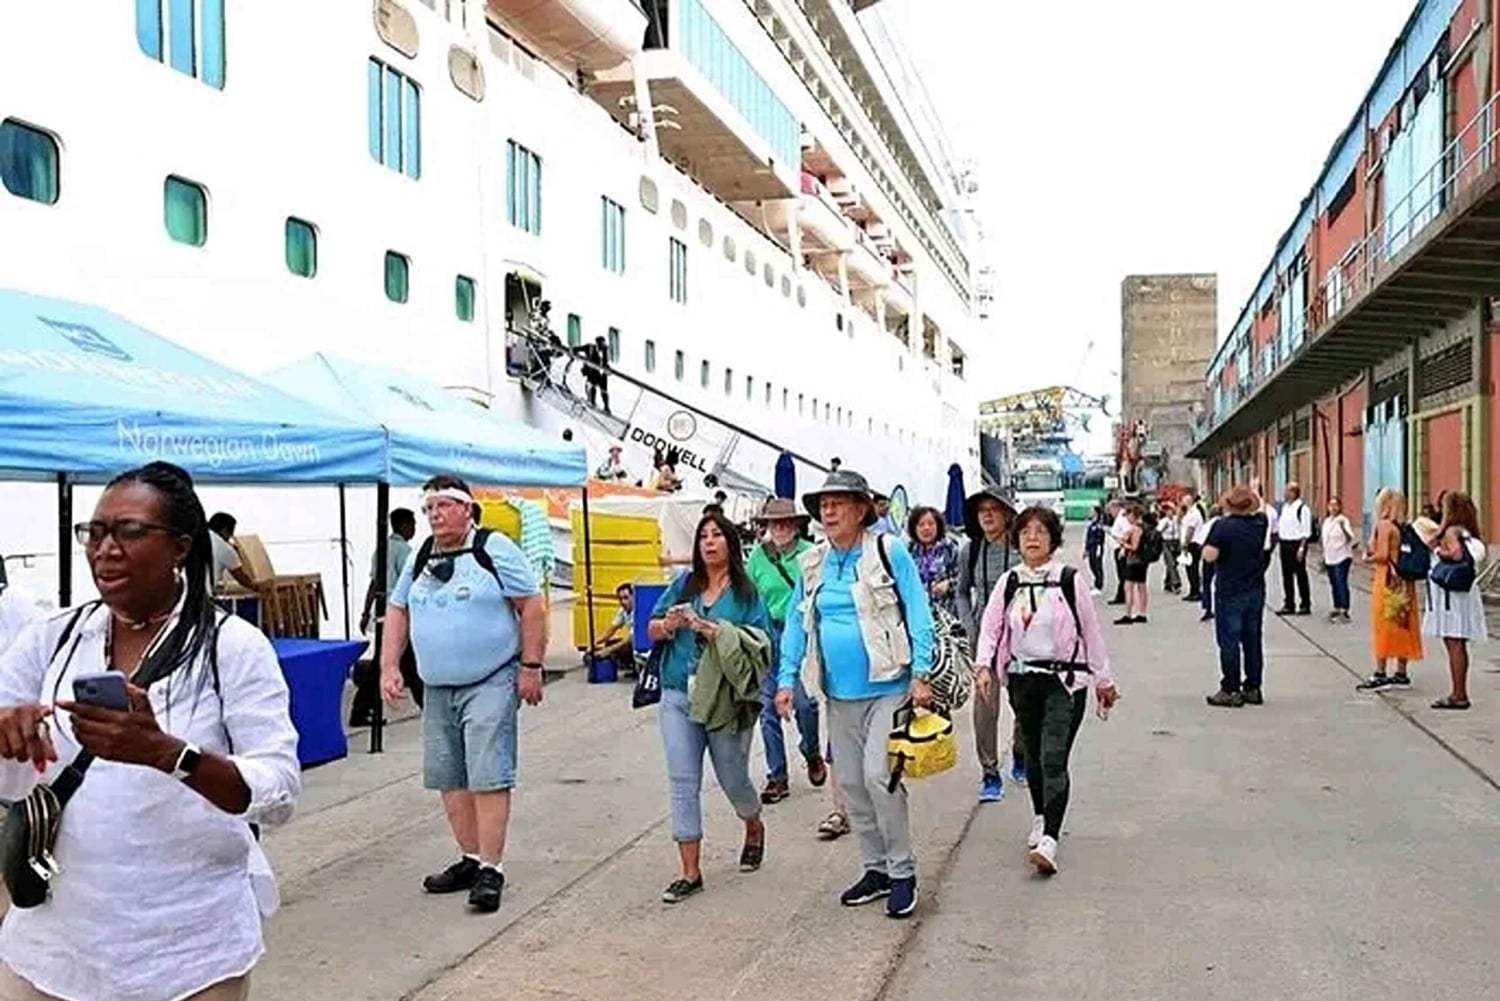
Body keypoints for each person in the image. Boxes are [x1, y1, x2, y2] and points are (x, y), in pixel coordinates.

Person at [0, 461, 300, 1001]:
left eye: (129, 531)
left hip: (186, 948)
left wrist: (168, 754)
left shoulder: (230, 647)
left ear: (180, 548)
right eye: (94, 532)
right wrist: (7, 727)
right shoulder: (55, 636)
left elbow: (277, 790)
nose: (104, 548)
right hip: (56, 939)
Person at [380, 474, 547, 914]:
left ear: (467, 509)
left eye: (443, 506)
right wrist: (389, 665)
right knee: (449, 775)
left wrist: (531, 665)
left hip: (490, 678)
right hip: (436, 684)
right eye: (428, 508)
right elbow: (397, 609)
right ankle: (470, 858)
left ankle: (492, 867)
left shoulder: (494, 549)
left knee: (488, 772)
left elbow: (530, 604)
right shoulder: (421, 555)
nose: (434, 515)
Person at [775, 469, 935, 919]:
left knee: (878, 775)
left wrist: (921, 672)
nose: (828, 510)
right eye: (824, 504)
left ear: (862, 509)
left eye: (839, 502)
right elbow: (796, 623)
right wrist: (787, 680)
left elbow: (918, 611)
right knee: (849, 784)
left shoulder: (889, 551)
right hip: (837, 693)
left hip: (889, 686)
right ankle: (876, 869)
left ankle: (903, 871)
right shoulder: (813, 563)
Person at [974, 505, 1117, 874]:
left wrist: (1104, 679)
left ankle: (1050, 839)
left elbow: (1091, 631)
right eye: (1025, 532)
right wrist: (984, 666)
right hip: (1023, 681)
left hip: (1065, 682)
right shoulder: (1010, 582)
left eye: (1040, 531)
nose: (1032, 538)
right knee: (1034, 757)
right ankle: (1040, 815)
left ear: (1053, 539)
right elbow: (990, 628)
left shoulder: (1069, 580)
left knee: (1053, 757)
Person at [648, 512, 770, 904]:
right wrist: (670, 625)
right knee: (683, 781)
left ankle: (752, 821)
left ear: (730, 544)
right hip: (677, 693)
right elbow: (649, 628)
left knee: (732, 776)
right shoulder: (684, 584)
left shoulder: (747, 594)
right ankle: (690, 871)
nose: (709, 542)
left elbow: (762, 644)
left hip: (724, 699)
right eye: (704, 536)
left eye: (718, 535)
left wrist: (715, 631)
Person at [745, 498, 824, 805]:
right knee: (766, 709)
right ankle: (777, 776)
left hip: (801, 634)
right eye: (773, 523)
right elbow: (749, 595)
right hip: (767, 636)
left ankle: (812, 751)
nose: (779, 528)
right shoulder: (757, 557)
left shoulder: (810, 554)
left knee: (804, 704)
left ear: (795, 525)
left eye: (785, 523)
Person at [956, 486, 1024, 800]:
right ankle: (990, 772)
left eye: (993, 509)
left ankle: (1021, 754)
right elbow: (961, 592)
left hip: (1023, 636)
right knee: (985, 706)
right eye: (982, 510)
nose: (987, 515)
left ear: (1007, 514)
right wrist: (970, 627)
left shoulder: (1022, 546)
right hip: (986, 636)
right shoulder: (971, 550)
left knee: (1024, 701)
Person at [1203, 486, 1270, 707]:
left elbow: (1209, 556)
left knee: (1229, 641)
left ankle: (1231, 688)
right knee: (1253, 640)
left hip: (1229, 590)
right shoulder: (1260, 523)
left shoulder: (1222, 527)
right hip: (1255, 589)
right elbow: (1260, 509)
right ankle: (1253, 687)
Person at [1424, 491, 1486, 710]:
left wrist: (1439, 550)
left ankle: (1458, 694)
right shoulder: (1468, 532)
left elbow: (1457, 555)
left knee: (1454, 643)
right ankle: (1460, 691)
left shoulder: (1451, 531)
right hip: (1465, 594)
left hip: (1451, 597)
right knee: (1459, 643)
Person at [1358, 487, 1423, 691]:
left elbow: (1383, 555)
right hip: (1403, 580)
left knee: (1383, 624)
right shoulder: (1402, 527)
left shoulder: (1384, 526)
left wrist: (1367, 557)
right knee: (1403, 624)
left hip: (1386, 579)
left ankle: (1380, 672)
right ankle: (1401, 672)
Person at [907, 506, 960, 617]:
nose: (926, 528)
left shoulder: (950, 548)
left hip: (946, 614)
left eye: (931, 524)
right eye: (921, 525)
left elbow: (964, 580)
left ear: (938, 526)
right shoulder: (909, 550)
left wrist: (948, 585)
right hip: (918, 614)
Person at [1275, 482, 1313, 616]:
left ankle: (1305, 603)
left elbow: (1306, 530)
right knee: (1286, 575)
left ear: (1293, 493)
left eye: (1287, 491)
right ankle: (1289, 603)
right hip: (1284, 543)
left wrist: (1302, 548)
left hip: (1297, 544)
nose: (1284, 494)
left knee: (1300, 574)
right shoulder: (1285, 508)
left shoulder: (1302, 509)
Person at [1320, 497, 1357, 623]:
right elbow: (1325, 540)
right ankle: (1337, 606)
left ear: (1340, 507)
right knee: (1333, 583)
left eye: (1336, 505)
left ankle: (1345, 610)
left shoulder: (1343, 520)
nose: (1333, 508)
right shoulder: (1326, 522)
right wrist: (1323, 557)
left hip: (1342, 556)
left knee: (1341, 581)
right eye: (1331, 505)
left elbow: (1350, 538)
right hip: (1330, 556)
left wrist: (1343, 528)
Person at [588, 583, 638, 675]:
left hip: (637, 643)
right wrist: (595, 643)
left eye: (626, 598)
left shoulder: (639, 612)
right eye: (620, 599)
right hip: (631, 642)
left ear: (633, 597)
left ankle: (635, 668)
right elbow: (611, 630)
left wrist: (608, 650)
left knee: (620, 648)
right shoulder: (623, 610)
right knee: (609, 643)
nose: (623, 602)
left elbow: (630, 640)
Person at [206, 512, 256, 591]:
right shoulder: (224, 548)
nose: (230, 537)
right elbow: (242, 578)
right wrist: (258, 587)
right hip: (202, 595)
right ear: (225, 530)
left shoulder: (197, 536)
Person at [1117, 506, 1148, 625]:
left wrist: (1123, 544)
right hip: (1142, 561)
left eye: (1128, 516)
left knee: (1128, 587)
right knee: (1141, 586)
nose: (1127, 519)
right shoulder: (1143, 526)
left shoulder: (1135, 529)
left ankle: (1128, 614)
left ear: (1133, 515)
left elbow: (1134, 547)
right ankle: (1142, 613)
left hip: (1134, 561)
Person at [1196, 503, 1220, 622]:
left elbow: (1201, 541)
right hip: (1224, 557)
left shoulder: (1208, 525)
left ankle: (1208, 607)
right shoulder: (1224, 524)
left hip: (1209, 555)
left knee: (1207, 581)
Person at [1180, 492, 1206, 602]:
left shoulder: (1194, 514)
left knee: (1192, 569)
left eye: (1183, 500)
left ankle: (1196, 591)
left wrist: (1185, 544)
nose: (1182, 502)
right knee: (1190, 569)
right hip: (1191, 544)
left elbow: (1190, 530)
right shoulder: (1189, 513)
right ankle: (1193, 590)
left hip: (1193, 544)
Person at [1083, 505, 1108, 596]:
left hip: (1097, 547)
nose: (1090, 512)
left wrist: (1098, 547)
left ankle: (1099, 585)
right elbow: (1088, 537)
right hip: (1091, 547)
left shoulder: (1099, 524)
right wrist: (1086, 549)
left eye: (1092, 511)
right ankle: (1095, 581)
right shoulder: (1091, 523)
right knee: (1092, 565)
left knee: (1097, 565)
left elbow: (1100, 537)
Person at [1158, 500, 1182, 594]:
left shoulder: (1177, 519)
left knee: (1174, 564)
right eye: (1167, 510)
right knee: (1171, 563)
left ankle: (1167, 583)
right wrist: (1164, 527)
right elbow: (1158, 532)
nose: (1170, 512)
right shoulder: (1163, 521)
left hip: (1176, 542)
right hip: (1166, 542)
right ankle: (1176, 584)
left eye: (1171, 510)